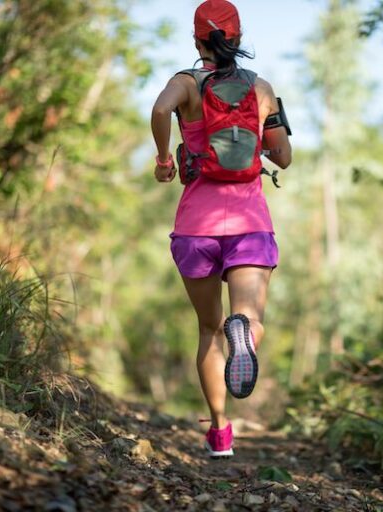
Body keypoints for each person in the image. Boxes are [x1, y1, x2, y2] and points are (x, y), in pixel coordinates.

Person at [150, 0, 292, 459]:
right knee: (247, 319)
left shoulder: (186, 83)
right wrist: (254, 145)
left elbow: (158, 109)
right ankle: (245, 334)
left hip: (195, 227)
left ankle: (220, 432)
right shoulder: (262, 88)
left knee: (209, 329)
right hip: (249, 221)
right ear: (237, 38)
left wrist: (165, 158)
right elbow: (284, 156)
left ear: (197, 41)